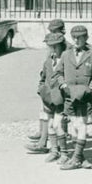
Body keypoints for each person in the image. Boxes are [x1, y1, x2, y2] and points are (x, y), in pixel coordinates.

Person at [54, 24, 92, 170]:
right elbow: (58, 73)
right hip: (69, 95)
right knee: (74, 125)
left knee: (81, 125)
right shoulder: (66, 54)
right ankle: (81, 158)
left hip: (84, 95)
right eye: (74, 38)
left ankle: (76, 158)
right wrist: (62, 84)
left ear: (86, 38)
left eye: (80, 38)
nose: (76, 40)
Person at [27, 18, 67, 144]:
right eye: (51, 31)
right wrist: (42, 86)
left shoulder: (66, 47)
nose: (52, 33)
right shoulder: (51, 43)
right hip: (48, 86)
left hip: (60, 87)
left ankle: (54, 143)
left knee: (59, 118)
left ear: (62, 31)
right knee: (46, 113)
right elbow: (47, 64)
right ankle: (43, 137)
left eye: (55, 31)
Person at [33, 32, 67, 162]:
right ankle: (54, 151)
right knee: (51, 124)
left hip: (61, 99)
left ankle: (64, 153)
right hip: (48, 99)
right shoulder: (48, 61)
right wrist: (42, 90)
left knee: (58, 125)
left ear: (61, 46)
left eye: (56, 46)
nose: (53, 49)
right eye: (50, 46)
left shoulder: (66, 60)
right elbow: (43, 78)